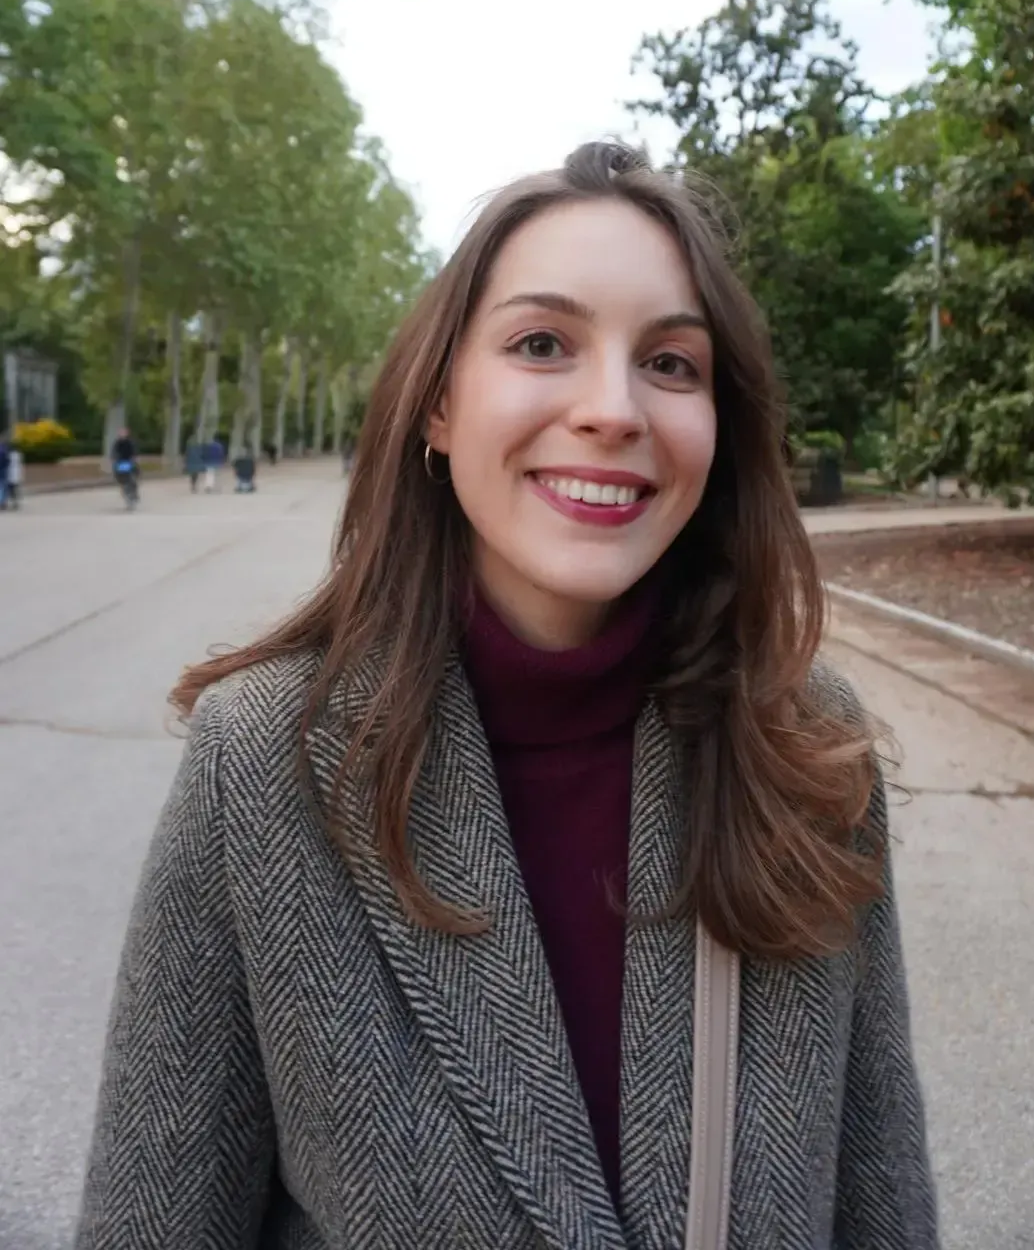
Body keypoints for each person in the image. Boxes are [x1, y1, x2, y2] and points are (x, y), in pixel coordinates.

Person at [76, 143, 938, 1249]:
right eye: (542, 343)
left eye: (672, 364)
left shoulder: (806, 743)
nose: (612, 408)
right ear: (438, 405)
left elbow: (883, 1197)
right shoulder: (267, 760)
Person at [4, 436, 22, 510]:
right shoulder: (17, 455)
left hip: (10, 475)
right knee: (14, 490)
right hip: (15, 475)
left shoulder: (9, 455)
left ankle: (9, 503)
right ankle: (15, 503)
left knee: (9, 490)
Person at [0, 432, 10, 510]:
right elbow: (7, 460)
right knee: (3, 486)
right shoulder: (4, 449)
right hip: (3, 470)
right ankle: (2, 502)